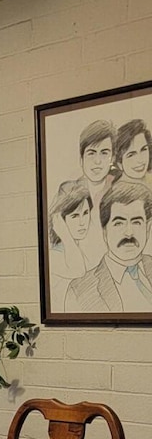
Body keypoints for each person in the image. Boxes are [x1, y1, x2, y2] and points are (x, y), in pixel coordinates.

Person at [65, 179, 152, 312]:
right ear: (104, 231)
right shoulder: (79, 291)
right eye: (119, 223)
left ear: (148, 228)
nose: (129, 233)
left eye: (136, 222)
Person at [75, 119, 116, 268]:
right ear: (81, 159)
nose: (97, 161)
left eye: (104, 153)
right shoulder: (69, 195)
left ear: (112, 158)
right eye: (91, 153)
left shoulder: (120, 193)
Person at [47, 178, 93, 309]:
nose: (82, 222)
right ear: (60, 220)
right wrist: (65, 235)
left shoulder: (78, 252)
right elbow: (79, 273)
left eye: (85, 213)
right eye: (74, 216)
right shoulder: (54, 255)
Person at [114, 118, 152, 183]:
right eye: (131, 155)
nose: (140, 160)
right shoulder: (121, 190)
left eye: (143, 149)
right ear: (119, 164)